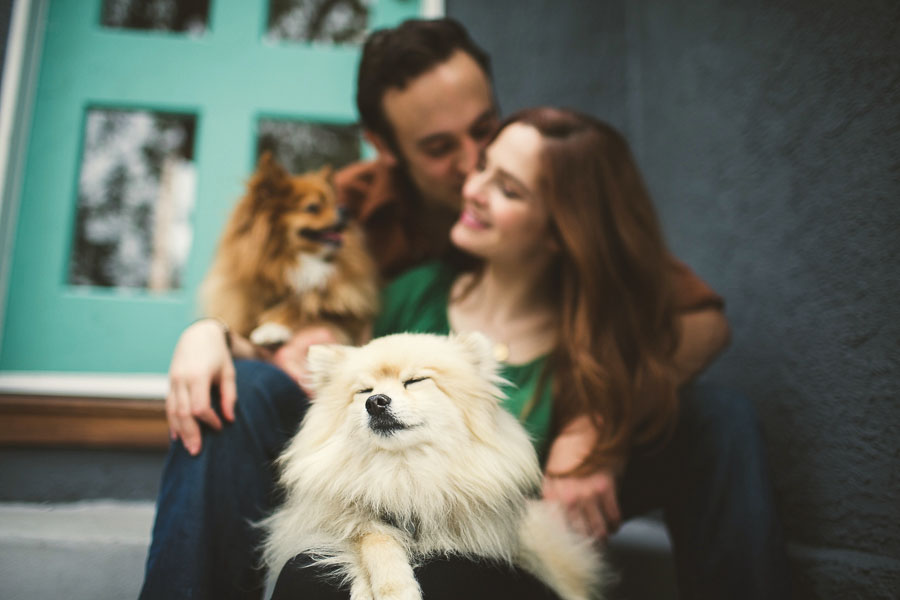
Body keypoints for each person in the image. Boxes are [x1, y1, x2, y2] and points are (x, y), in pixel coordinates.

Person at [140, 19, 788, 600]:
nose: (473, 168)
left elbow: (700, 319)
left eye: (487, 133)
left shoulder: (575, 231)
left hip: (541, 480)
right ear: (384, 147)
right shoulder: (355, 218)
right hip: (402, 472)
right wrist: (212, 334)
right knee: (236, 392)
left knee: (718, 416)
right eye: (441, 148)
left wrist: (598, 431)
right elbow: (290, 325)